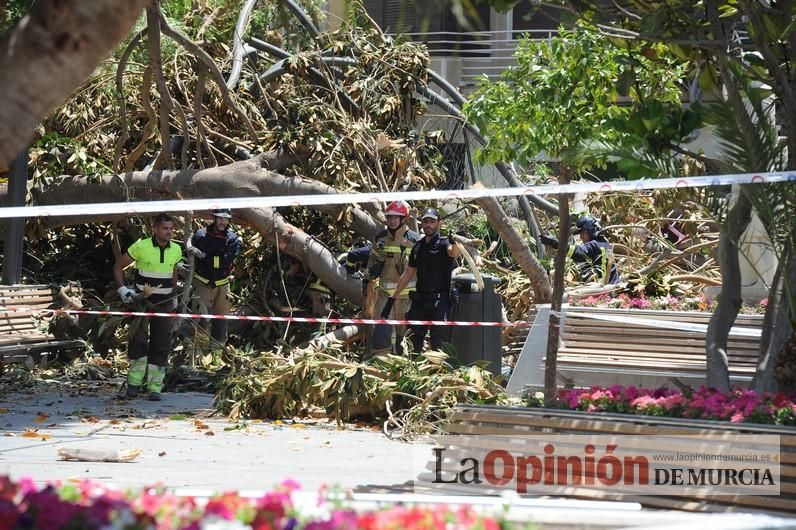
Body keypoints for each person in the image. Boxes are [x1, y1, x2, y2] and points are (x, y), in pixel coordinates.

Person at [114, 213, 183, 400]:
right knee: (138, 341)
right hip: (142, 302)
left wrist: (175, 296)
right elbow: (118, 266)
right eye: (165, 228)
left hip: (165, 303)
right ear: (155, 228)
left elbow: (174, 273)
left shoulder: (176, 249)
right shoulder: (141, 246)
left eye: (171, 229)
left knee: (162, 344)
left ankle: (154, 387)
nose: (169, 232)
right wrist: (122, 290)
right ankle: (134, 384)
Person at [383, 207, 460, 353]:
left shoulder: (444, 244)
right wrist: (392, 298)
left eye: (432, 221)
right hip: (420, 301)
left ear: (439, 224)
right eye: (425, 222)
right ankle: (415, 370)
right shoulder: (418, 247)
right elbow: (408, 273)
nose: (428, 225)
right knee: (413, 341)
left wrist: (454, 243)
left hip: (439, 301)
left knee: (438, 342)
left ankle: (439, 372)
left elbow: (454, 253)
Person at [186, 208, 242, 356]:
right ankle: (198, 356)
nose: (223, 221)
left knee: (221, 321)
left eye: (226, 219)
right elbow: (191, 255)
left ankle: (216, 357)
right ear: (214, 218)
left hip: (221, 285)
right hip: (202, 282)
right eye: (220, 218)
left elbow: (226, 261)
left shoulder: (232, 239)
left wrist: (205, 257)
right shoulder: (201, 235)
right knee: (202, 320)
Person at [366, 201, 420, 354]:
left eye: (396, 217)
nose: (392, 221)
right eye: (389, 217)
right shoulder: (381, 239)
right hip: (384, 297)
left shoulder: (414, 240)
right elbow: (372, 260)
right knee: (382, 334)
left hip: (407, 299)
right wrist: (369, 275)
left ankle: (402, 365)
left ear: (404, 219)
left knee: (404, 336)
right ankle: (380, 364)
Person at [540, 215, 619, 284]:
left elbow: (580, 253)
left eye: (583, 233)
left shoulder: (596, 244)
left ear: (590, 231)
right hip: (610, 286)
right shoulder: (604, 242)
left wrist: (555, 243)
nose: (581, 237)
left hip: (605, 291)